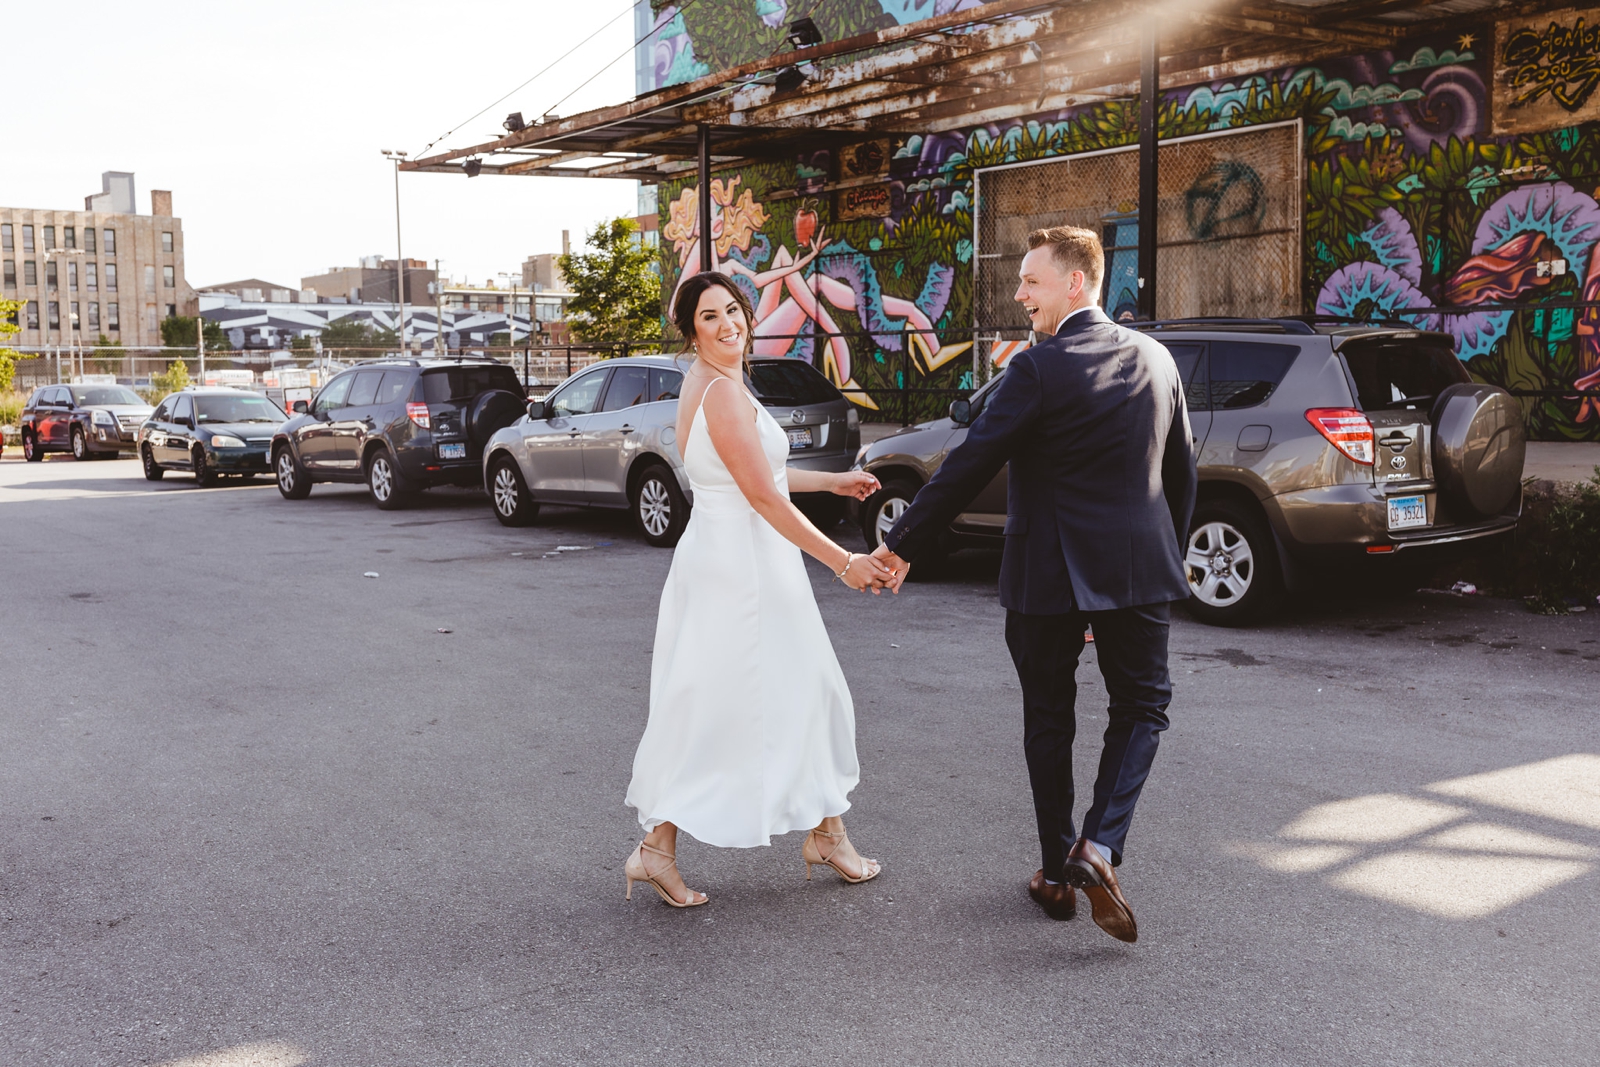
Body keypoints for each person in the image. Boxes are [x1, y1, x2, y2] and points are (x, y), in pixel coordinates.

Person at [872, 227, 1197, 943]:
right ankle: (1099, 845)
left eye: (1031, 281)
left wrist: (901, 544)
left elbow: (966, 462)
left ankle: (1057, 874)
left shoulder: (1037, 368)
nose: (1020, 294)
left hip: (1045, 575)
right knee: (1143, 706)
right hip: (1137, 572)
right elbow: (1180, 478)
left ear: (1075, 282)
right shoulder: (1158, 359)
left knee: (1049, 718)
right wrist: (1155, 555)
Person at [623, 270, 898, 908]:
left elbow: (754, 471)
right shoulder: (720, 391)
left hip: (732, 558)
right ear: (692, 332)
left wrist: (831, 483)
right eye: (710, 318)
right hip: (742, 568)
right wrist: (842, 561)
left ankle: (817, 834)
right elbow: (761, 496)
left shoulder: (716, 383)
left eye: (733, 311)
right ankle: (667, 847)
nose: (729, 325)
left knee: (744, 697)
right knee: (763, 699)